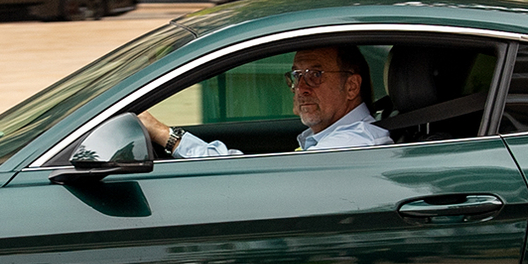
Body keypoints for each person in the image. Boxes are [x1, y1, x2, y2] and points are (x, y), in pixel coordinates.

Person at [138, 44, 389, 159]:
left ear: (352, 86)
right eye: (296, 76)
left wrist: (166, 136)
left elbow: (251, 181)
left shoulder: (347, 147)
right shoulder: (336, 139)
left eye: (315, 75)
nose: (300, 88)